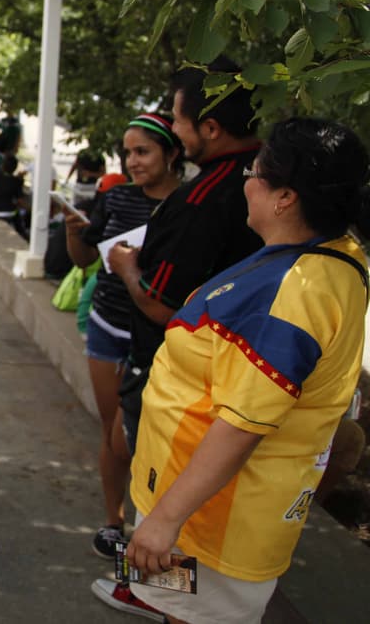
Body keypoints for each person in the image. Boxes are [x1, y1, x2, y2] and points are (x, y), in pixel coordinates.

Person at [120, 118, 369, 624]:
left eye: (254, 172)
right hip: (197, 504)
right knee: (172, 607)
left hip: (206, 521)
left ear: (285, 198)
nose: (245, 180)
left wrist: (164, 521)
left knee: (189, 615)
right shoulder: (326, 257)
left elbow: (242, 425)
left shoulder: (294, 294)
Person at [93, 61, 263, 618]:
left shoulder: (202, 202)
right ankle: (149, 586)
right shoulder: (255, 181)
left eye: (176, 118)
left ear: (206, 129)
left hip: (181, 377)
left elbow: (161, 305)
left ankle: (146, 592)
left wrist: (126, 269)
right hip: (236, 376)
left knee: (162, 498)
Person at [64, 113, 183, 559]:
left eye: (144, 151)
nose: (133, 161)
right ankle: (114, 521)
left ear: (172, 154)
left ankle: (150, 525)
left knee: (133, 437)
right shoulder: (115, 199)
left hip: (158, 338)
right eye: (128, 152)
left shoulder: (191, 205)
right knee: (111, 432)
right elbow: (83, 262)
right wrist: (74, 232)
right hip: (106, 325)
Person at [0, 152, 29, 239]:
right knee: (19, 213)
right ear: (15, 168)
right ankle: (23, 235)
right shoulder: (16, 181)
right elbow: (19, 201)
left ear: (2, 165)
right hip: (8, 212)